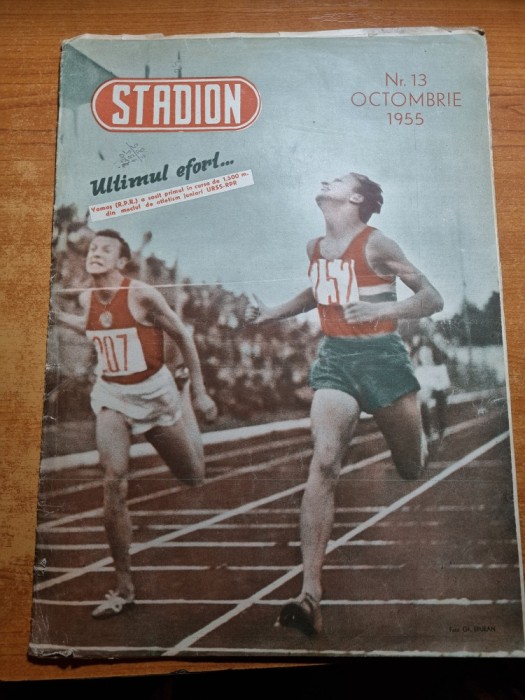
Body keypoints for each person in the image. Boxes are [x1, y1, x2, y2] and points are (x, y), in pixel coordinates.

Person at [246, 172, 443, 636]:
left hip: (383, 360)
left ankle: (421, 443)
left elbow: (432, 298)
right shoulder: (315, 248)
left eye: (334, 179)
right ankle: (309, 592)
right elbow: (321, 292)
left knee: (411, 466)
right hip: (336, 359)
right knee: (325, 462)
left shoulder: (379, 244)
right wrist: (275, 311)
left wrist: (382, 310)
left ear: (355, 198)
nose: (322, 181)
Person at [56, 229, 217, 619]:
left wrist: (197, 389)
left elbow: (182, 334)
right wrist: (56, 316)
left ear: (122, 262)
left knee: (194, 476)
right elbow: (93, 326)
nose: (95, 253)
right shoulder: (85, 297)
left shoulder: (142, 294)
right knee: (113, 479)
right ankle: (124, 586)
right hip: (112, 395)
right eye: (92, 248)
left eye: (105, 249)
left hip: (156, 394)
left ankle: (182, 406)